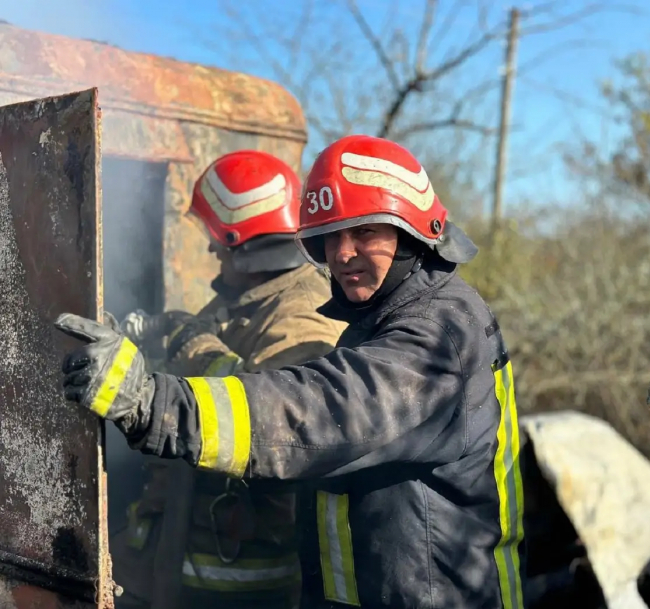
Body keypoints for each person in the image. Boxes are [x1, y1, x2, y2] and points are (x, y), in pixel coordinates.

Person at [55, 135, 526, 609]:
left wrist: (150, 402)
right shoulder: (383, 320)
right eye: (328, 236)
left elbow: (314, 413)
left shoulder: (437, 333)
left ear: (412, 231)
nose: (341, 254)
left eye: (363, 231)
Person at [109, 150, 346, 609]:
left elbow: (277, 421)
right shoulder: (248, 298)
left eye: (218, 237)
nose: (211, 248)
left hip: (236, 576)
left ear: (246, 241)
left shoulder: (303, 314)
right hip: (184, 552)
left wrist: (193, 344)